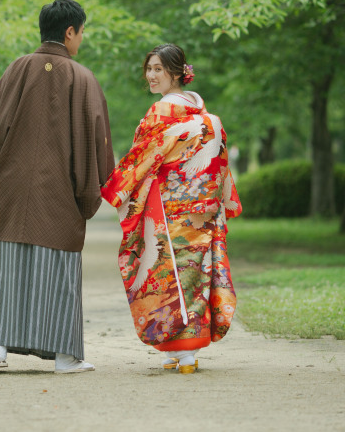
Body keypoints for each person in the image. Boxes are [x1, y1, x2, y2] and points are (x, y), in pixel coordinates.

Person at [0, 0, 114, 374]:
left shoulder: (16, 69)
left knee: (6, 264)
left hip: (11, 184)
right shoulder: (82, 78)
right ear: (69, 32)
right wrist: (93, 187)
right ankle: (64, 357)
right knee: (58, 267)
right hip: (60, 188)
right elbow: (96, 138)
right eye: (81, 31)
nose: (82, 38)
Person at [100, 44, 242, 374]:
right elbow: (217, 159)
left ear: (176, 73)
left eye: (158, 70)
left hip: (168, 206)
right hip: (203, 207)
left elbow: (142, 156)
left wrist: (114, 188)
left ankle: (179, 348)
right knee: (195, 272)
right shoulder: (203, 110)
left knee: (167, 273)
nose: (151, 75)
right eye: (148, 68)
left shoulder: (162, 111)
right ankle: (181, 350)